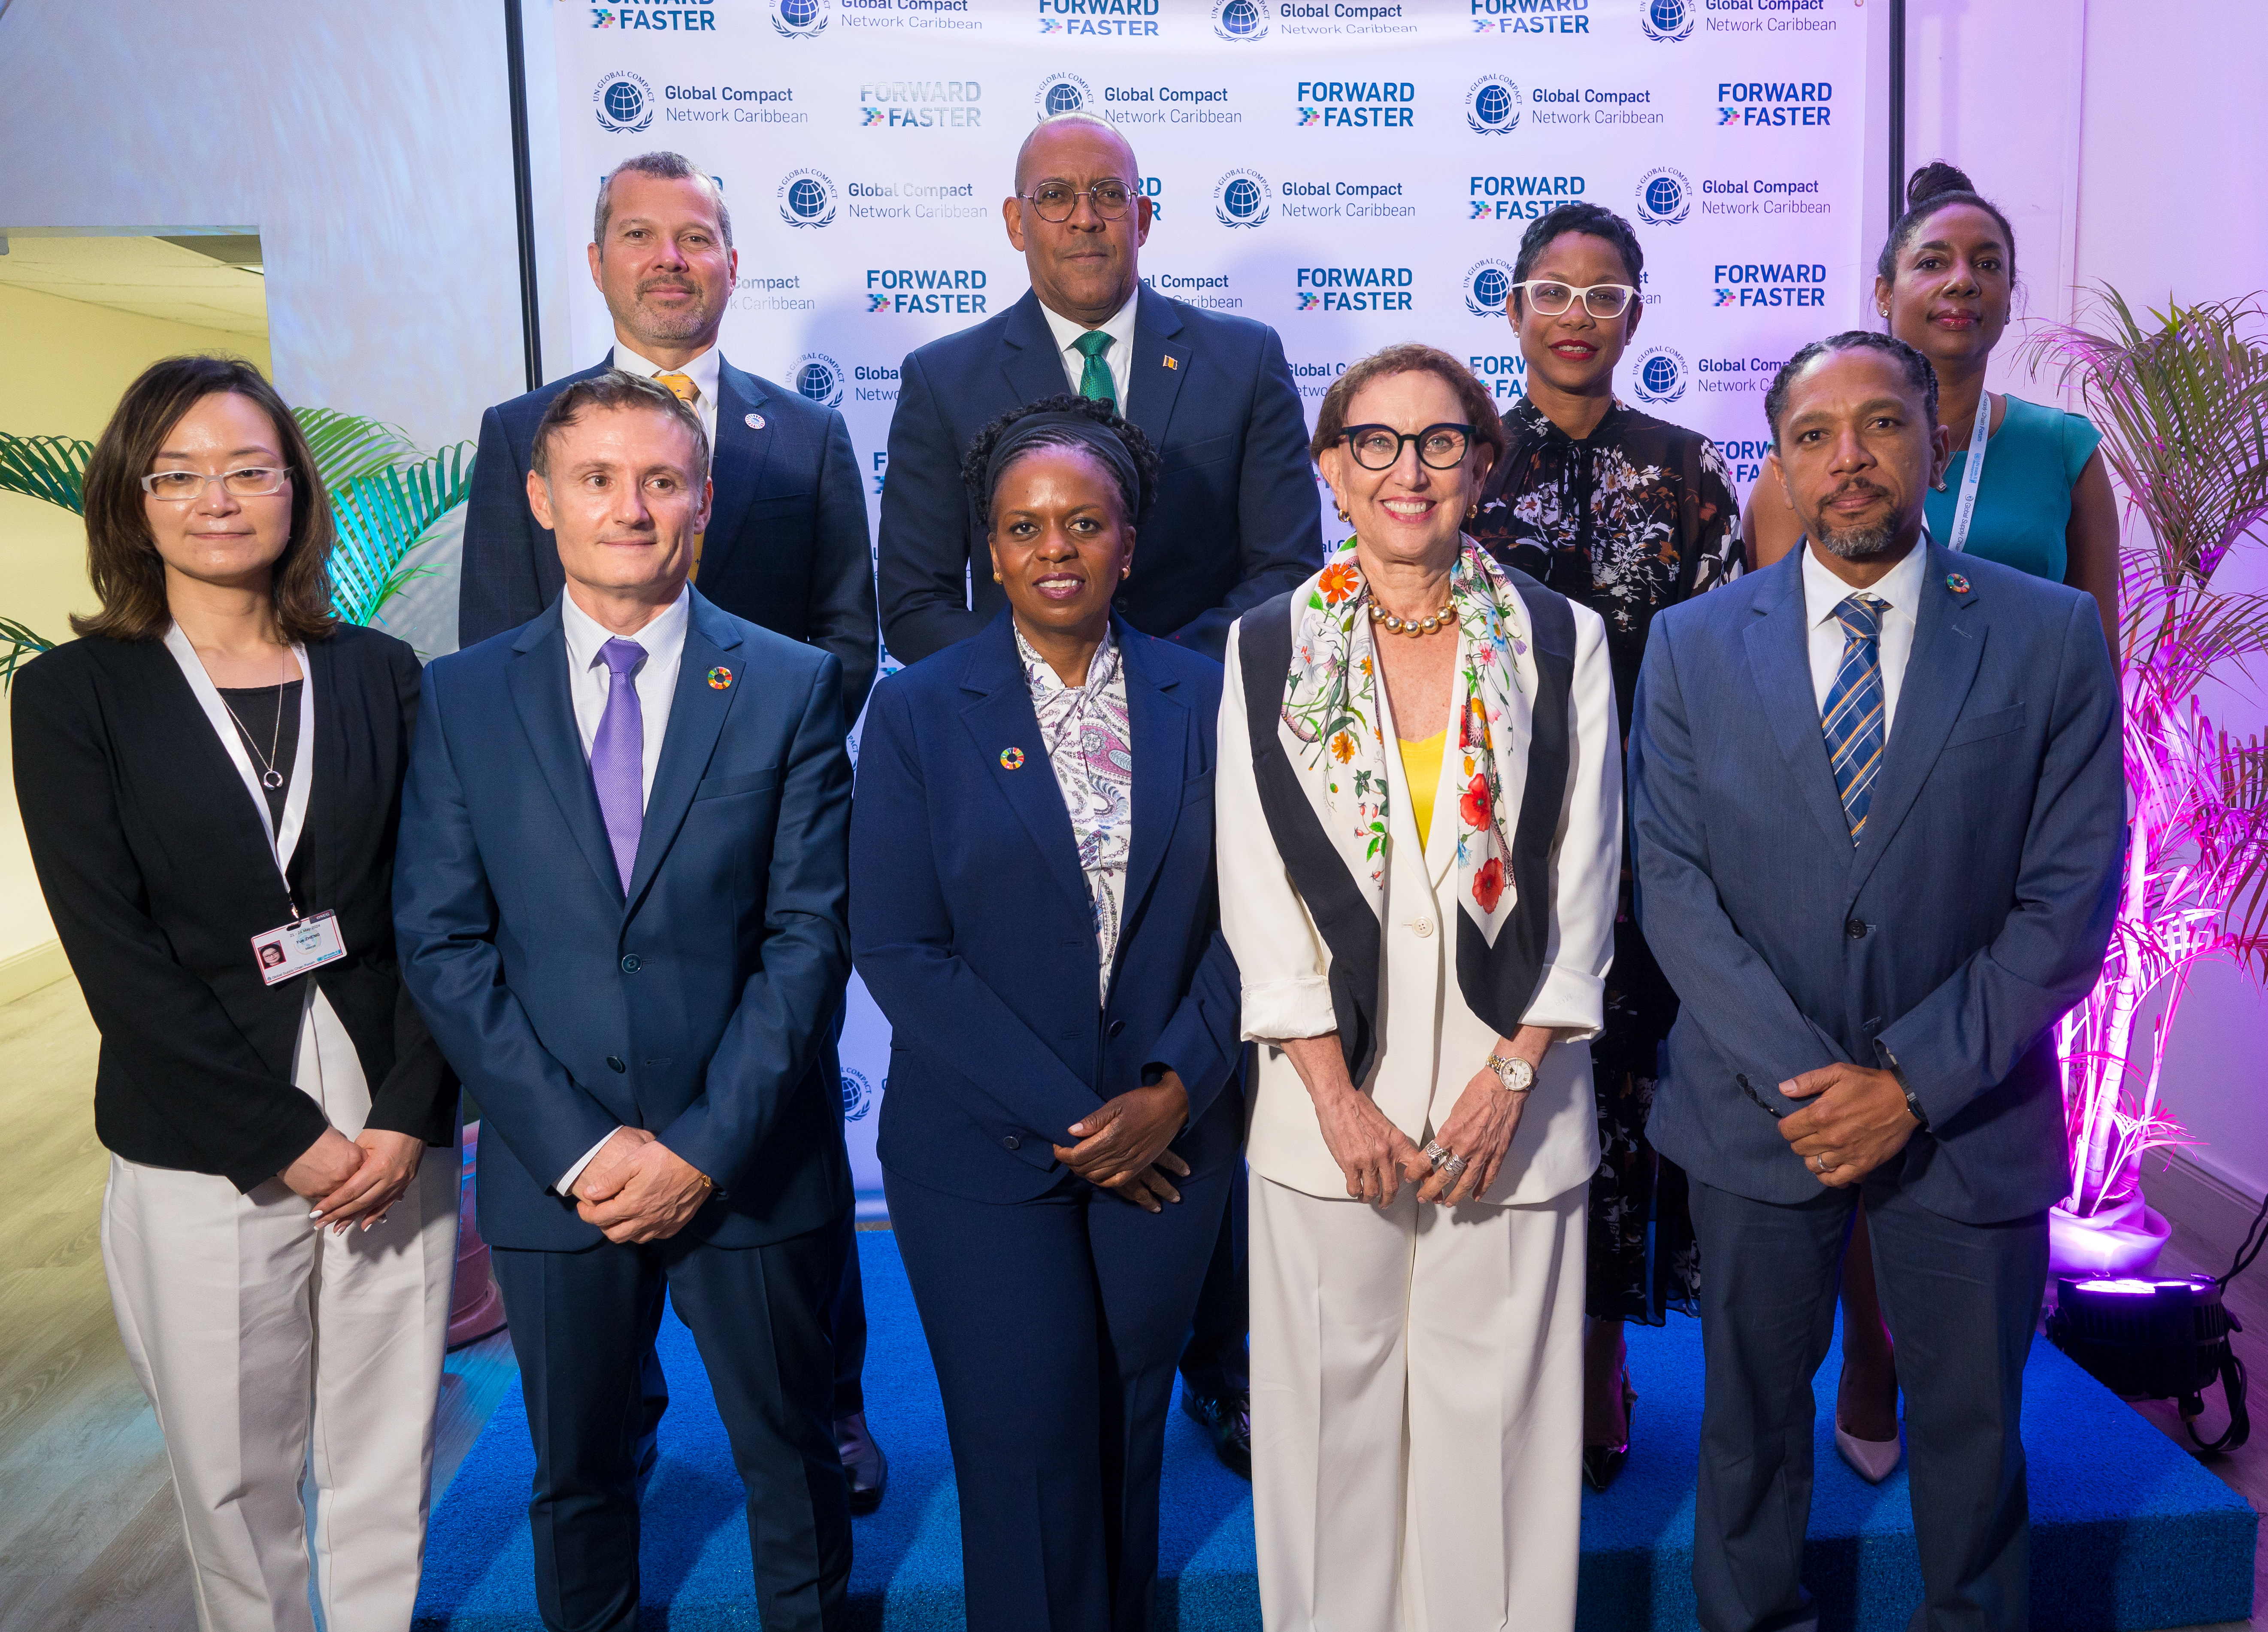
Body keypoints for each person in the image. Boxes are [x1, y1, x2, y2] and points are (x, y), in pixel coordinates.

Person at [1630, 331, 2123, 1632]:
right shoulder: (1687, 648)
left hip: (1969, 1117)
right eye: (1814, 435)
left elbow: (2069, 899)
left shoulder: (2051, 635)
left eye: (1882, 426)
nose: (1848, 460)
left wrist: (1906, 1082)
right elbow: (1671, 884)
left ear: (1933, 439)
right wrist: (1816, 1085)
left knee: (1973, 1450)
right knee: (1746, 1440)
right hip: (1759, 1115)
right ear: (1780, 462)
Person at [878, 109, 1313, 1471]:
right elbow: (911, 601)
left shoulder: (1238, 361)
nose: (1082, 218)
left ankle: (1220, 1364)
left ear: (1146, 211)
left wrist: (1137, 686)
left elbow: (1284, 572)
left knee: (1193, 1069)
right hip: (1014, 787)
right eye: (1053, 197)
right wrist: (1047, 680)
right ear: (1015, 220)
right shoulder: (947, 375)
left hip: (1196, 767)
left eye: (1107, 196)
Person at [455, 149, 886, 1509]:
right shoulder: (521, 427)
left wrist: (755, 767)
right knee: (591, 1320)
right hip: (582, 879)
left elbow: (845, 636)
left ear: (732, 262)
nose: (668, 257)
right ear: (596, 263)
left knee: (788, 1147)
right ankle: (618, 1406)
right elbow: (493, 659)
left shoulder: (801, 435)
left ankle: (837, 1400)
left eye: (696, 235)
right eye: (638, 234)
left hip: (755, 864)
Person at [394, 371, 856, 1632]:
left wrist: (701, 1149)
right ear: (542, 498)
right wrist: (587, 1145)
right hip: (560, 1173)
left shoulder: (790, 683)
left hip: (748, 1163)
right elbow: (442, 941)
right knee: (579, 1475)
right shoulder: (463, 694)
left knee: (791, 1461)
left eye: (662, 480)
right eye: (597, 479)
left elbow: (811, 940)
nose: (631, 508)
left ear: (702, 500)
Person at [12, 355, 460, 1632]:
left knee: (387, 1444)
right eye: (182, 472)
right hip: (205, 1130)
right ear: (131, 498)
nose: (220, 496)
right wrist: (287, 1143)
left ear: (295, 491)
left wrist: (409, 1112)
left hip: (389, 1116)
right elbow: (115, 956)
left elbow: (440, 908)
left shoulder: (380, 672)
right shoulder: (71, 697)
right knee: (234, 1469)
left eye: (251, 468)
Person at [1218, 345, 1621, 1631]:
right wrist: (1335, 1098)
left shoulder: (1565, 639)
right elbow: (1258, 894)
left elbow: (1588, 872)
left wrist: (1513, 1078)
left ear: (1482, 464)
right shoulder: (1266, 644)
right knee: (1326, 1446)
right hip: (1327, 1110)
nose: (1409, 469)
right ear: (1333, 469)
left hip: (1518, 1104)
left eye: (1441, 441)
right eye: (1375, 443)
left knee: (1496, 1445)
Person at [1739, 162, 2120, 1481]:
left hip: (1989, 855)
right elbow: (1761, 684)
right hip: (1840, 835)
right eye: (1934, 263)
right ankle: (1866, 1354)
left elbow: (2096, 662)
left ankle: (1922, 1364)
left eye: (1986, 263)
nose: (1961, 284)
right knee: (1843, 1121)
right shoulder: (1800, 468)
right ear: (1886, 289)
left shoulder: (2063, 454)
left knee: (1954, 1119)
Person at [852, 396, 1244, 1632]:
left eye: (1086, 521)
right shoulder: (919, 709)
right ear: (989, 546)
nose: (1056, 548)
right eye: (1024, 528)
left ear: (1130, 540)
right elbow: (900, 949)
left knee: (1128, 1429)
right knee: (1026, 1445)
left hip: (1174, 1138)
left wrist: (1175, 1084)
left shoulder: (1212, 694)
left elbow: (1267, 927)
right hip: (985, 1150)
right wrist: (1087, 1119)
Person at [1468, 200, 1741, 1490]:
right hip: (1480, 852)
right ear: (1514, 307)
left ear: (1638, 310)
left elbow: (1727, 670)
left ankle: (1598, 1361)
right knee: (1493, 1095)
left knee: (1619, 1099)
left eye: (1605, 292)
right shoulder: (1458, 462)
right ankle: (1494, 1363)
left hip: (1644, 851)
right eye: (1553, 290)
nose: (1578, 313)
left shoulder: (1690, 471)